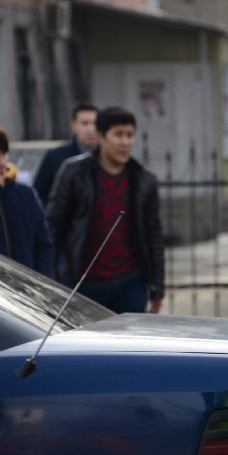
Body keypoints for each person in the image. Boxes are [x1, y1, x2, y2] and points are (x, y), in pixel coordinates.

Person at [46, 107, 164, 314]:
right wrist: (51, 279)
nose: (125, 142)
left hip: (130, 283)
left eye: (129, 135)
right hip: (82, 282)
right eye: (118, 134)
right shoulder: (73, 173)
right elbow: (53, 227)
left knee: (130, 345)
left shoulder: (144, 180)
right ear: (100, 136)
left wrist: (158, 288)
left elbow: (154, 235)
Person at [0, 123, 52, 276]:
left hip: (26, 293)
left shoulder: (24, 194)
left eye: (4, 154)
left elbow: (43, 245)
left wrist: (43, 285)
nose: (2, 162)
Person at [33, 102, 98, 208]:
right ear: (73, 125)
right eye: (85, 123)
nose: (91, 129)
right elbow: (38, 194)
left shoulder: (108, 157)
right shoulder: (55, 157)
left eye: (95, 123)